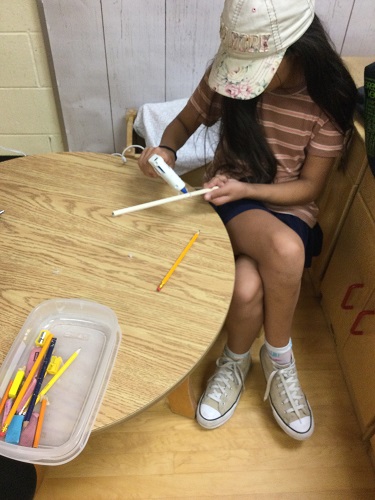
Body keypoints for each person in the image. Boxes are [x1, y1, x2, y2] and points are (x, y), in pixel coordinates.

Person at [138, 0, 357, 440]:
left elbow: (309, 189)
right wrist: (165, 150)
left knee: (247, 285)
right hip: (230, 196)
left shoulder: (328, 99)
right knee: (285, 249)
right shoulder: (228, 73)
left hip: (285, 204)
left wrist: (252, 191)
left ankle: (238, 360)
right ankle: (281, 360)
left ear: (299, 51)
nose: (243, 82)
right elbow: (183, 123)